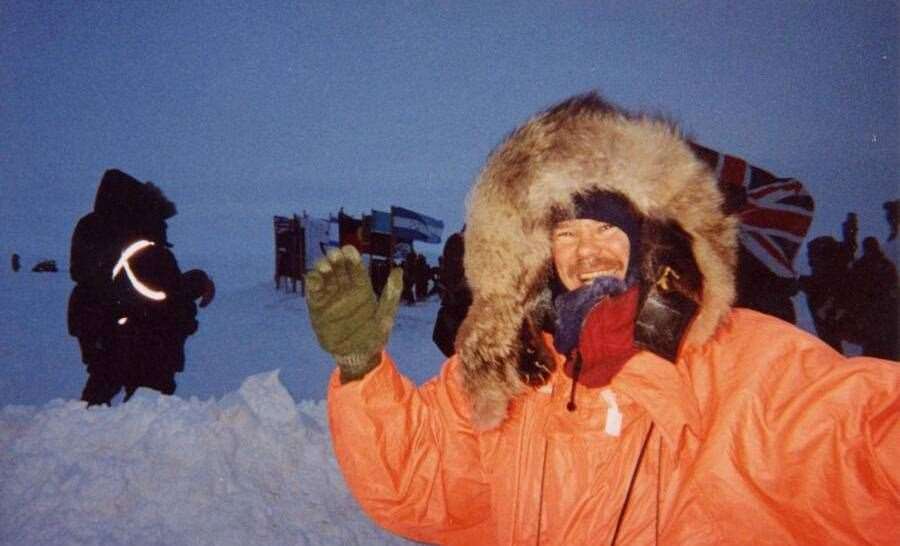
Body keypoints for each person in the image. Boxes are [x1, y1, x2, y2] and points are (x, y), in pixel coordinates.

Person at [305, 94, 899, 545]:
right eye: (566, 233)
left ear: (648, 241)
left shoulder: (739, 362)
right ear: (539, 253)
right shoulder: (506, 375)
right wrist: (361, 371)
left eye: (606, 229)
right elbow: (421, 484)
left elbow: (860, 440)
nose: (586, 251)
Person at [68, 169, 215, 406]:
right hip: (141, 337)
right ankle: (132, 439)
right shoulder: (143, 250)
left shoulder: (105, 236)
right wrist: (199, 281)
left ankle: (82, 434)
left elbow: (144, 289)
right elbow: (166, 293)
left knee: (103, 383)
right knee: (149, 398)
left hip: (100, 325)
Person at [844, 236, 898, 359]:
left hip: (873, 317)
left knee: (874, 351)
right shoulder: (886, 265)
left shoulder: (861, 266)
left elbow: (851, 291)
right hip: (881, 317)